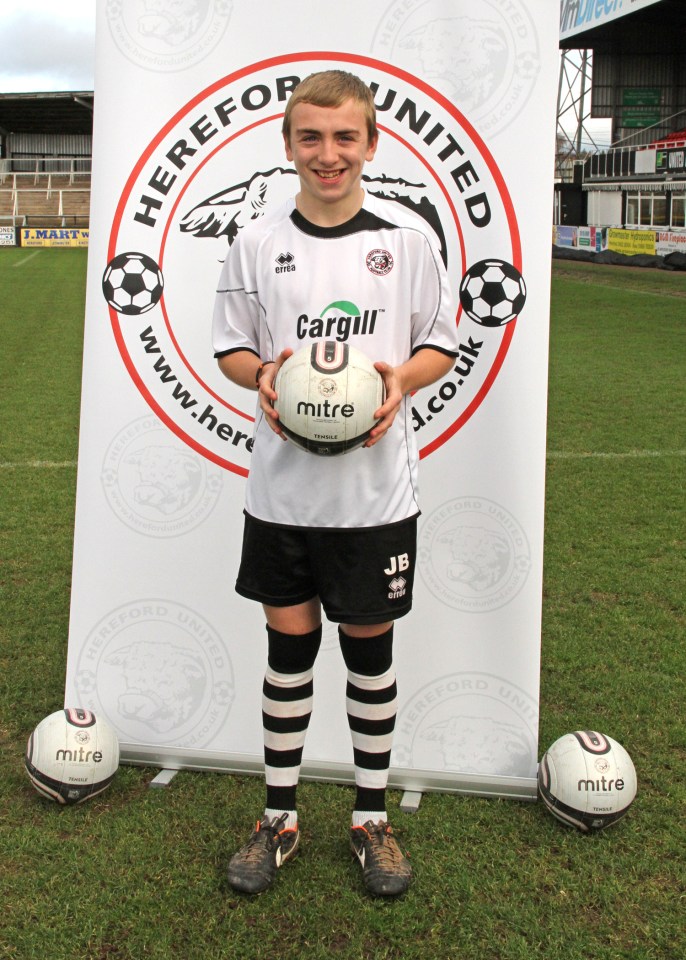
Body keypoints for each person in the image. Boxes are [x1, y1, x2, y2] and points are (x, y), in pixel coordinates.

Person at [212, 70, 460, 897]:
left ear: (370, 143)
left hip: (375, 497)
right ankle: (278, 819)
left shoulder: (407, 242)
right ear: (287, 145)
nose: (328, 154)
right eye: (310, 137)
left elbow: (438, 343)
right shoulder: (254, 242)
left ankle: (370, 819)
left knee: (368, 655)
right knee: (288, 654)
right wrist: (267, 381)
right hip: (282, 493)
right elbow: (233, 349)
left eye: (343, 137)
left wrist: (398, 383)